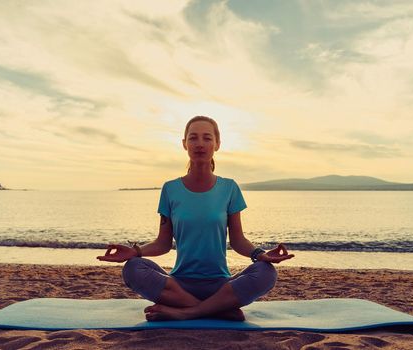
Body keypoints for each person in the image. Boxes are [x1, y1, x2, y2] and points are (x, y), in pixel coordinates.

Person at [97, 116, 294, 321]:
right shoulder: (170, 189)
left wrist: (260, 254)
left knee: (266, 272)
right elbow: (163, 244)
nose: (200, 144)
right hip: (179, 285)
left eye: (207, 138)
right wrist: (135, 251)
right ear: (185, 144)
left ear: (217, 144)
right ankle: (218, 309)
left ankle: (189, 312)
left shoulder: (229, 188)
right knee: (133, 268)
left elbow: (238, 241)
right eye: (193, 138)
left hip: (220, 285)